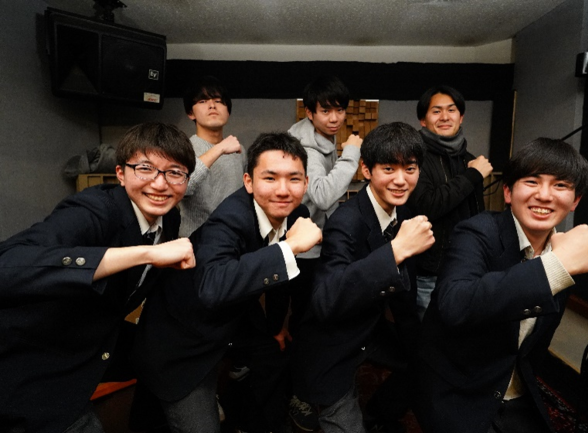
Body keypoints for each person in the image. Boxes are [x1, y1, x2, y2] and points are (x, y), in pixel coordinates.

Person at [0, 122, 196, 433]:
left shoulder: (168, 217)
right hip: (33, 356)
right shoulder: (95, 209)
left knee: (175, 353)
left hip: (94, 337)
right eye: (145, 168)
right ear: (121, 173)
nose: (160, 184)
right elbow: (8, 264)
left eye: (175, 172)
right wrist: (145, 254)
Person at [131, 132, 322, 433]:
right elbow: (212, 287)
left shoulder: (297, 212)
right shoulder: (229, 219)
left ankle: (249, 422)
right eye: (270, 178)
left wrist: (276, 326)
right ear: (248, 182)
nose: (283, 190)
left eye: (294, 179)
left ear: (306, 183)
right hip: (182, 333)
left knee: (274, 356)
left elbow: (280, 276)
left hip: (234, 314)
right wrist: (290, 247)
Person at [414, 138, 588, 433]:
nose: (544, 195)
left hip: (514, 390)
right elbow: (455, 304)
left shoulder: (565, 250)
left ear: (575, 201)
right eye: (531, 181)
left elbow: (535, 342)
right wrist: (554, 267)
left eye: (560, 185)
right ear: (508, 192)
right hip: (457, 389)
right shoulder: (476, 231)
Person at [291, 122, 435, 433]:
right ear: (367, 170)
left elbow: (404, 298)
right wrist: (395, 251)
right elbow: (326, 300)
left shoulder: (405, 213)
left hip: (372, 329)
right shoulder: (346, 221)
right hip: (333, 338)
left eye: (409, 169)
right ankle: (303, 399)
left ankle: (379, 415)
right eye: (389, 169)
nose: (401, 180)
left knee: (429, 363)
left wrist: (418, 347)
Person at [284, 75, 362, 430]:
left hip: (313, 243)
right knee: (304, 324)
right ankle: (298, 395)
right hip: (301, 250)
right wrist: (351, 155)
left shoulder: (322, 139)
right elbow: (322, 195)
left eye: (339, 110)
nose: (334, 117)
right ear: (310, 112)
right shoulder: (307, 148)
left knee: (310, 321)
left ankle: (307, 384)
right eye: (326, 110)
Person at [407, 85, 493, 319]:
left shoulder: (470, 160)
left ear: (461, 116)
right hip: (429, 270)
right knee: (427, 329)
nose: (445, 117)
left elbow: (476, 213)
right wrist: (472, 176)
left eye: (451, 110)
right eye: (436, 111)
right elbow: (427, 206)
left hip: (467, 265)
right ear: (423, 120)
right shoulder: (414, 159)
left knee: (459, 326)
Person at [179, 75, 244, 237]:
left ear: (228, 112)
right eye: (202, 101)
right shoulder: (183, 148)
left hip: (234, 237)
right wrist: (219, 149)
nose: (212, 105)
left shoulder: (238, 150)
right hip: (195, 240)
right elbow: (182, 187)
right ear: (191, 113)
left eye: (218, 101)